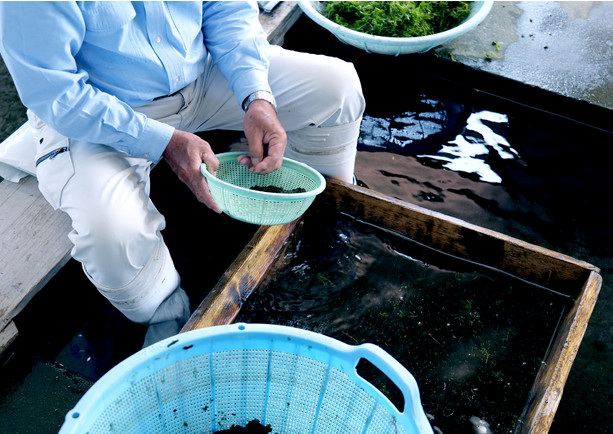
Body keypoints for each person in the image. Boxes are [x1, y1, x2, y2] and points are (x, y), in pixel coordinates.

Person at [0, 2, 365, 346]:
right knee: (111, 235)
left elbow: (227, 10)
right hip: (98, 112)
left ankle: (322, 221)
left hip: (200, 75)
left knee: (338, 88)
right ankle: (170, 320)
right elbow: (56, 93)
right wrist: (164, 143)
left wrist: (257, 98)